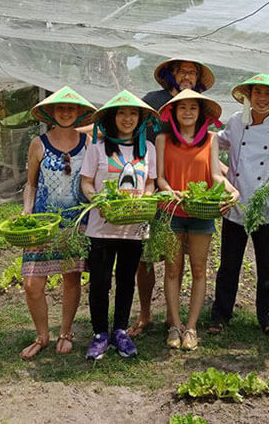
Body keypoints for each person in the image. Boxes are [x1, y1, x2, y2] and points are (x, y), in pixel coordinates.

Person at [129, 58, 216, 338]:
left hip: (183, 195)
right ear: (171, 75)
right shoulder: (153, 101)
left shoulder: (199, 111)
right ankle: (145, 313)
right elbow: (126, 121)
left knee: (187, 262)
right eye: (182, 71)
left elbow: (207, 156)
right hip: (146, 184)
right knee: (150, 256)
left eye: (193, 72)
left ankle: (174, 318)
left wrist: (223, 178)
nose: (188, 76)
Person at [209, 73, 269, 336]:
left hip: (267, 206)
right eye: (257, 93)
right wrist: (218, 171)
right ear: (248, 96)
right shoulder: (236, 121)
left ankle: (266, 318)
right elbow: (214, 141)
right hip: (236, 203)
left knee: (267, 267)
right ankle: (220, 316)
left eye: (268, 94)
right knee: (229, 265)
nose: (262, 98)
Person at [156, 89, 239, 351]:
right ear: (174, 113)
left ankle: (191, 328)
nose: (188, 112)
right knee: (172, 269)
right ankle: (174, 325)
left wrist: (231, 189)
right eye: (182, 108)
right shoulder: (162, 139)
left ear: (200, 113)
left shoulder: (211, 140)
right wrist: (171, 192)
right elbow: (160, 178)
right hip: (171, 212)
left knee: (199, 270)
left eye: (193, 108)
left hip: (202, 214)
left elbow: (214, 175)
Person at [80, 90, 158, 360]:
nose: (127, 118)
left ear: (140, 118)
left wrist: (144, 202)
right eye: (122, 113)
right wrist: (98, 200)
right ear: (113, 118)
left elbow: (149, 183)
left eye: (133, 113)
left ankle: (121, 331)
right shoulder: (98, 148)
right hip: (101, 226)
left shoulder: (148, 149)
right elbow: (86, 182)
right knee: (100, 281)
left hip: (134, 228)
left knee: (127, 280)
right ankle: (100, 333)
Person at [20, 86, 96, 360]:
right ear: (51, 113)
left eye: (71, 108)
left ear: (77, 113)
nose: (65, 112)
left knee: (71, 278)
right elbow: (30, 184)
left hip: (75, 224)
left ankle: (65, 331)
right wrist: (27, 213)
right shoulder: (38, 144)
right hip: (43, 225)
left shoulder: (88, 144)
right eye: (60, 108)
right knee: (32, 284)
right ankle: (42, 335)